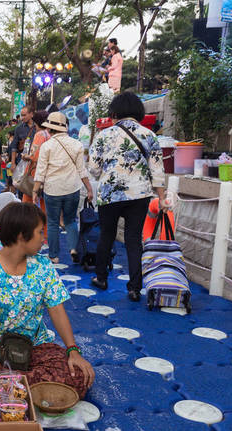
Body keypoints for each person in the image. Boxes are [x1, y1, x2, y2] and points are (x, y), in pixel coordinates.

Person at [0, 202, 95, 397]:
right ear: (21, 236)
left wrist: (73, 350)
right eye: (40, 233)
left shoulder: (43, 267)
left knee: (76, 376)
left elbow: (57, 310)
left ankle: (1, 390)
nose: (44, 240)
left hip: (34, 347)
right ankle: (22, 390)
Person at [88, 92, 167, 301]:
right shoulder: (149, 135)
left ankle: (101, 278)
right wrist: (162, 198)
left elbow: (94, 170)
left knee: (107, 235)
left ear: (115, 112)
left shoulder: (104, 135)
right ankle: (134, 288)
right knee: (133, 240)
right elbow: (157, 171)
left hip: (109, 194)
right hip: (139, 194)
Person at [32, 112, 93, 264]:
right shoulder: (77, 144)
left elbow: (41, 171)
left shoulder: (46, 146)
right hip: (72, 188)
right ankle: (73, 249)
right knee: (71, 220)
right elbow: (82, 170)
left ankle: (54, 256)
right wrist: (89, 189)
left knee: (52, 222)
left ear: (50, 129)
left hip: (52, 189)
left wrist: (34, 190)